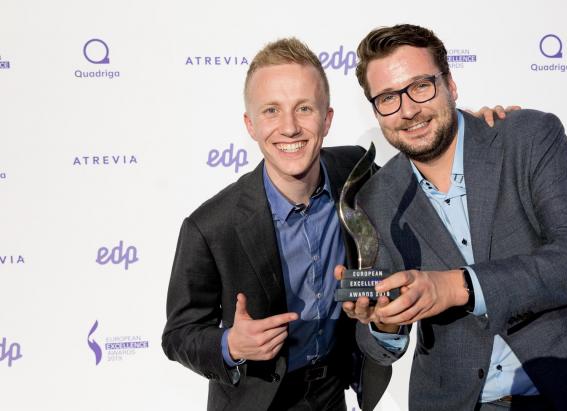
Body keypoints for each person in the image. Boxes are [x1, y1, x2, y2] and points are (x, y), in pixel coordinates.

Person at [162, 37, 512, 411]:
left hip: (334, 392)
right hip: (258, 398)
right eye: (271, 111)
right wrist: (229, 345)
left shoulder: (357, 174)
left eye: (304, 109)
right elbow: (179, 334)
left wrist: (467, 132)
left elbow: (422, 169)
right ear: (250, 124)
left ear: (327, 118)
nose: (290, 127)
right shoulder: (212, 225)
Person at [339, 24, 567, 411]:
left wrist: (458, 286)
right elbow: (379, 350)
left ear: (450, 84)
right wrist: (385, 322)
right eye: (388, 98)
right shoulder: (377, 197)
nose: (408, 109)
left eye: (421, 86)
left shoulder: (526, 138)